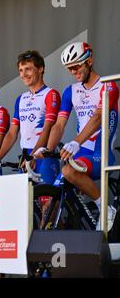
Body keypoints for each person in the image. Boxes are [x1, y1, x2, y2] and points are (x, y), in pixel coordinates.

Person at [35, 42, 119, 230]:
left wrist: (76, 142)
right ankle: (44, 248)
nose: (73, 71)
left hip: (101, 154)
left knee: (68, 171)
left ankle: (105, 210)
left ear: (89, 60)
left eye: (77, 66)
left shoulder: (109, 85)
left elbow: (98, 117)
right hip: (81, 154)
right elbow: (59, 124)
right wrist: (48, 148)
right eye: (70, 68)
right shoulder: (70, 91)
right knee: (51, 198)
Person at [0, 51, 61, 184]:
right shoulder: (20, 99)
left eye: (28, 69)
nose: (23, 74)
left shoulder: (51, 94)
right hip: (26, 154)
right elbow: (12, 133)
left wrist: (34, 155)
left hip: (43, 153)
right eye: (21, 70)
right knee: (28, 203)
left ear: (40, 68)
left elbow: (48, 128)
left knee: (48, 201)